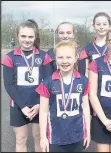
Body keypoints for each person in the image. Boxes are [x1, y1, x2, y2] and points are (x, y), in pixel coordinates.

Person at [1, 20, 52, 152]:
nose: (27, 40)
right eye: (23, 36)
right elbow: (8, 85)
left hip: (39, 104)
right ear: (17, 36)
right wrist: (23, 107)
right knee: (20, 139)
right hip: (18, 105)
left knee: (39, 137)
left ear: (35, 37)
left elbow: (48, 82)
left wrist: (41, 105)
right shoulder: (9, 58)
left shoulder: (44, 56)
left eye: (30, 36)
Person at [36, 42, 91, 152]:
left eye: (68, 57)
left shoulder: (83, 81)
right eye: (60, 57)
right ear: (55, 58)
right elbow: (43, 112)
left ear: (76, 58)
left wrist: (88, 132)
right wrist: (43, 137)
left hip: (77, 135)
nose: (64, 61)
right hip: (55, 137)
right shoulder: (48, 82)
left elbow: (85, 108)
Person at [78, 12, 111, 77]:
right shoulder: (86, 49)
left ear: (109, 26)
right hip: (92, 84)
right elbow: (83, 75)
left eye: (104, 24)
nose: (101, 27)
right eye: (98, 24)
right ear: (93, 26)